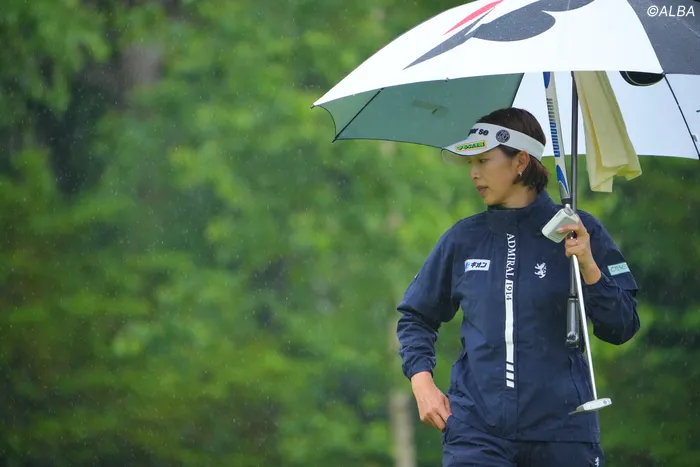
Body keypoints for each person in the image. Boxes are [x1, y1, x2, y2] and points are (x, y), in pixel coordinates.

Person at [395, 107, 640, 467]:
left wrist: (588, 265)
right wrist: (421, 383)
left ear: (521, 161)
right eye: (471, 163)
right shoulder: (462, 239)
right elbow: (415, 316)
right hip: (476, 435)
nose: (474, 173)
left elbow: (622, 325)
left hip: (564, 432)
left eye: (483, 160)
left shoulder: (579, 231)